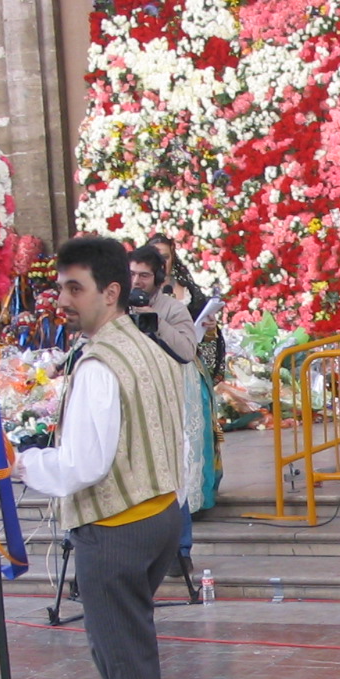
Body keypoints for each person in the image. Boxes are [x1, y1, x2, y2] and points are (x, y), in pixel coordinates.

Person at [0, 237, 192, 679]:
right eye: (60, 287)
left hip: (116, 527)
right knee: (131, 648)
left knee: (122, 656)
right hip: (158, 515)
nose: (64, 300)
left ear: (112, 291)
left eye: (76, 288)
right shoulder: (146, 346)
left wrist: (17, 464)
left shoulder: (101, 364)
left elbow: (83, 464)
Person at [130, 245, 217, 577]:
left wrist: (155, 324)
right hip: (130, 403)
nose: (136, 281)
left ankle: (180, 551)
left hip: (167, 403)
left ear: (158, 278)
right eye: (132, 274)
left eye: (144, 275)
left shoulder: (173, 309)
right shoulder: (115, 306)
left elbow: (186, 349)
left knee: (172, 475)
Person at [146, 233, 210, 320]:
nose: (161, 263)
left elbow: (201, 325)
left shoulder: (190, 293)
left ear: (172, 258)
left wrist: (210, 328)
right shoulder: (139, 292)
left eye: (165, 257)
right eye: (155, 257)